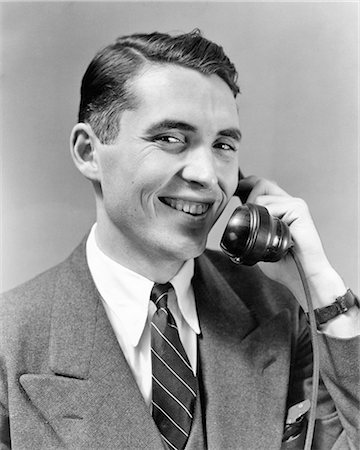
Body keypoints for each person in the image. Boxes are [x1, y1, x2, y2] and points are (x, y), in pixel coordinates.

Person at [0, 30, 359, 450]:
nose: (207, 176)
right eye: (170, 139)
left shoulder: (282, 314)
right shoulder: (11, 341)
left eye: (223, 145)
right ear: (88, 152)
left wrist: (320, 288)